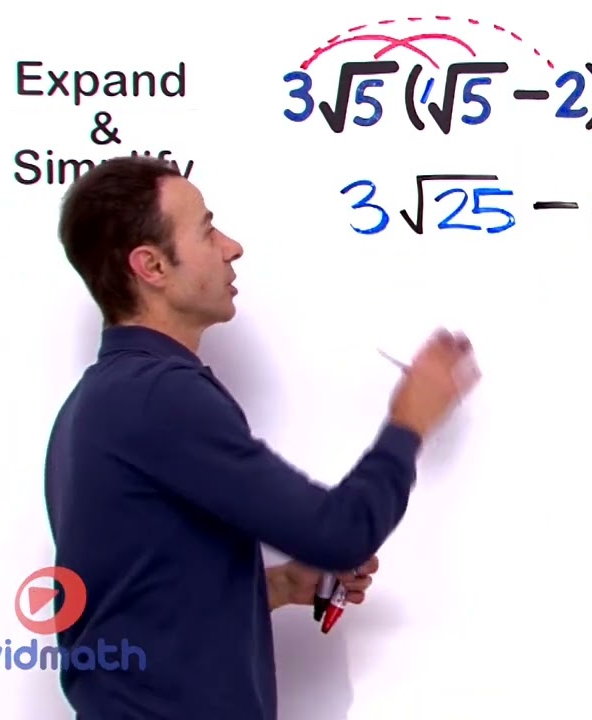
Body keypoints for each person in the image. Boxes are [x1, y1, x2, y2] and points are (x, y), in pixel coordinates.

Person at [44, 155, 480, 718]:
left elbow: (143, 597)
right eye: (207, 231)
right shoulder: (160, 396)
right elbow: (340, 534)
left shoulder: (92, 406)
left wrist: (276, 587)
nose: (232, 247)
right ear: (151, 265)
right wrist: (410, 421)